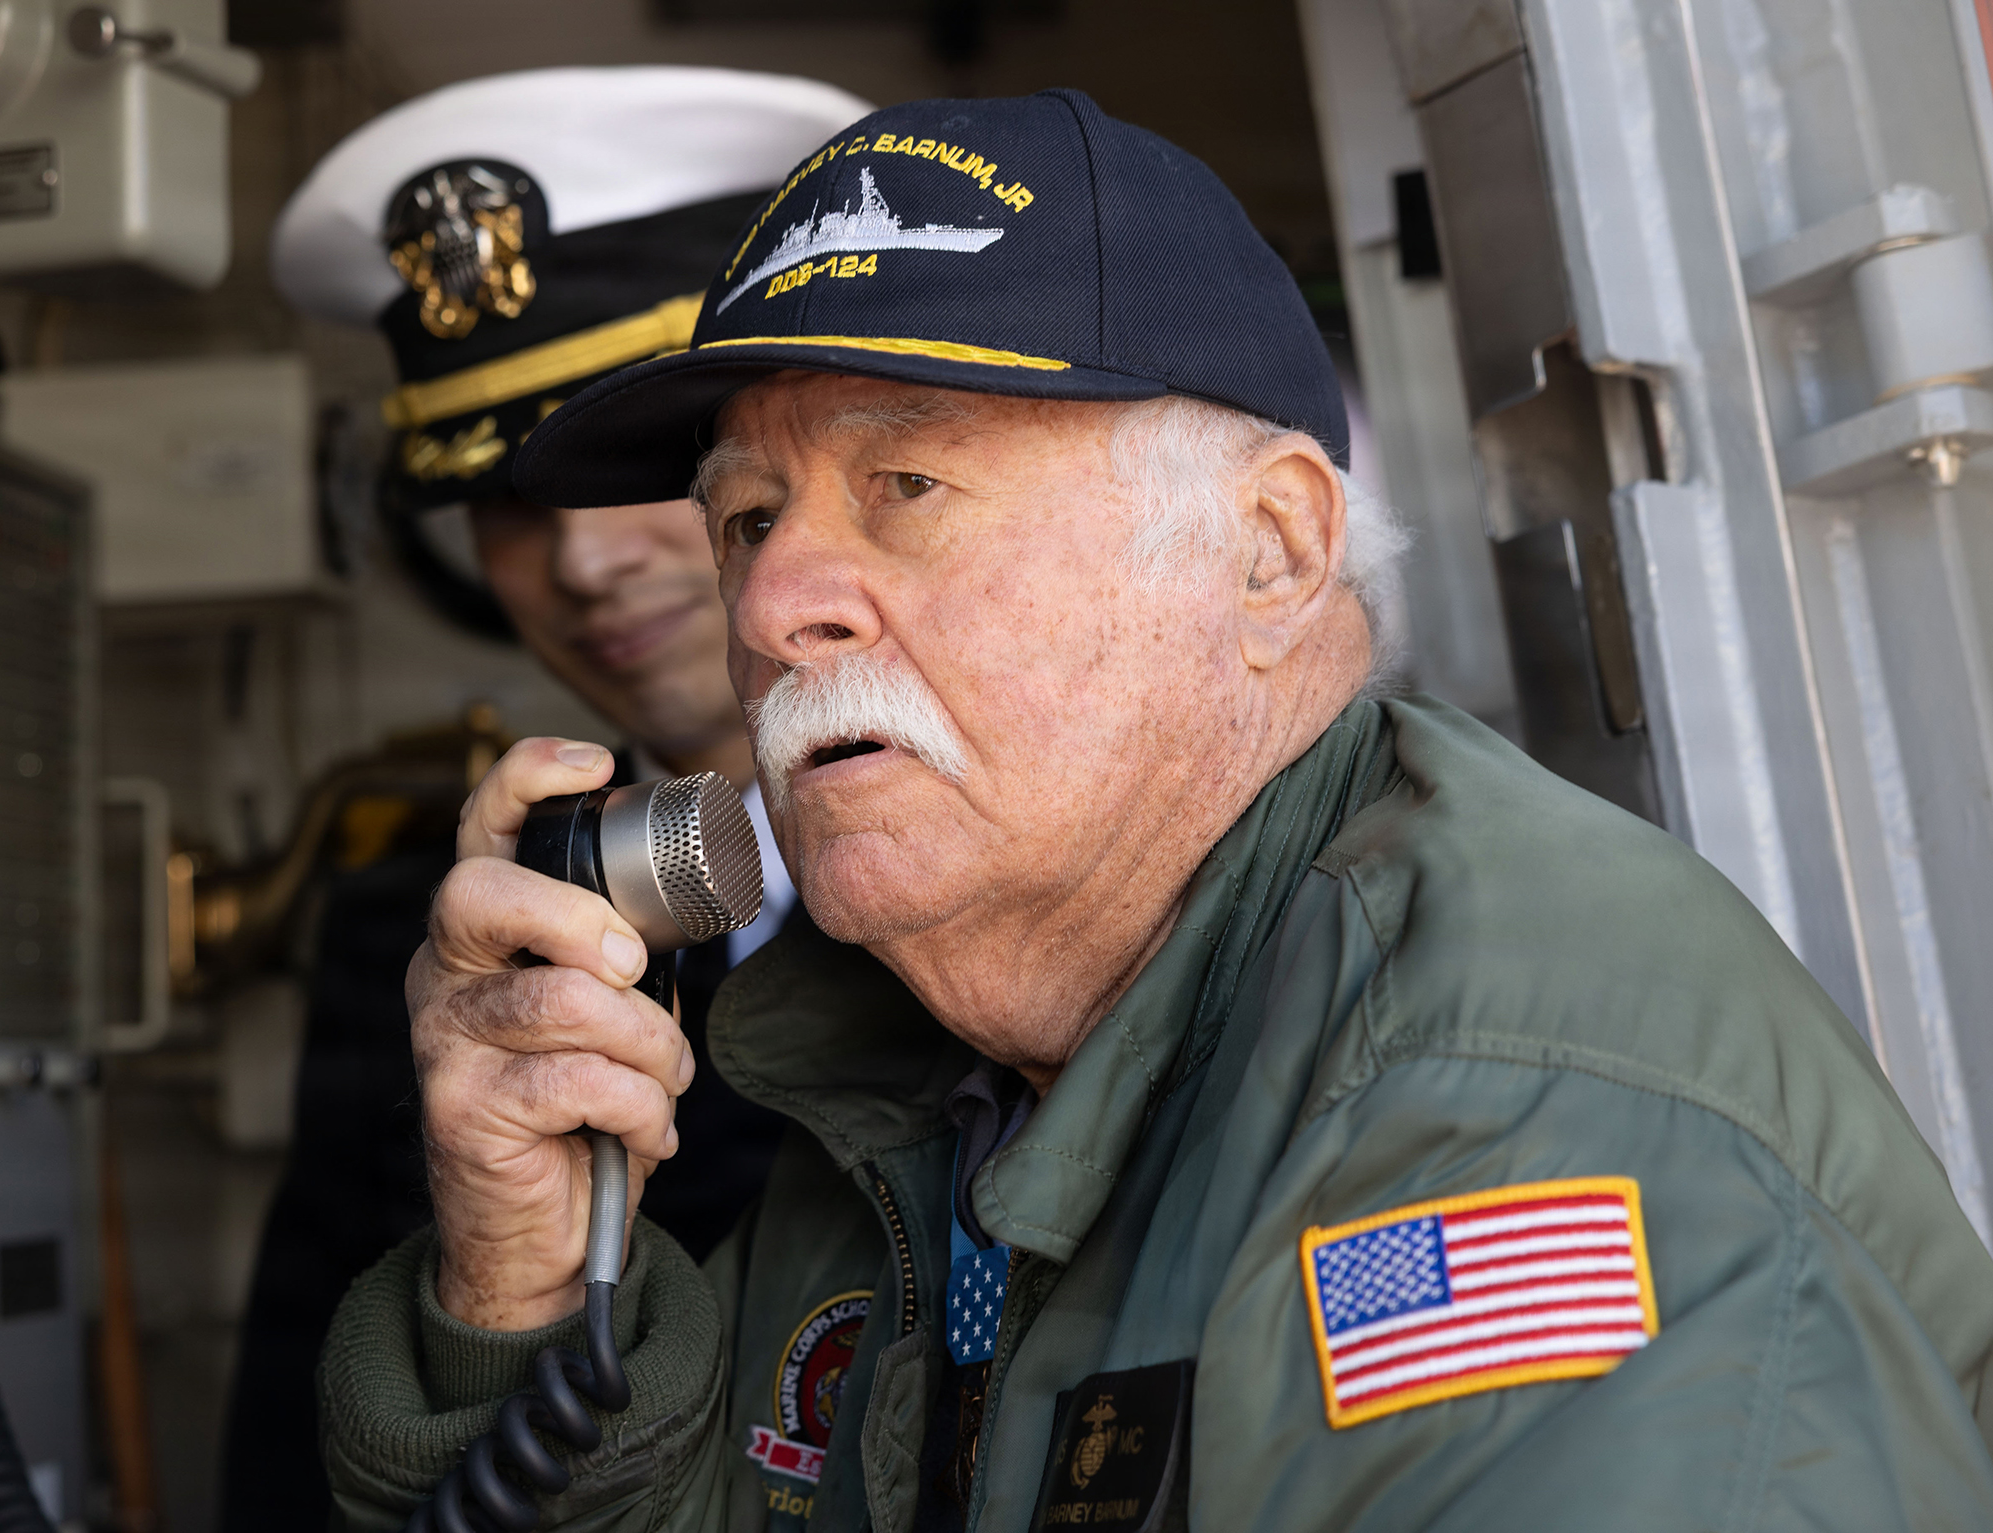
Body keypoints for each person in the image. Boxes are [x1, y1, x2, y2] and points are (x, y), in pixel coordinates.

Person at [317, 90, 1993, 1533]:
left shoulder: (1499, 1125)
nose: (777, 607)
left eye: (908, 485)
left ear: (1267, 552)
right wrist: (529, 1294)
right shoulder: (904, 1091)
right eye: (750, 516)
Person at [216, 68, 869, 1533]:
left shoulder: (1007, 868)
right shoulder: (437, 937)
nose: (577, 564)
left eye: (628, 465)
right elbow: (293, 1444)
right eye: (510, 494)